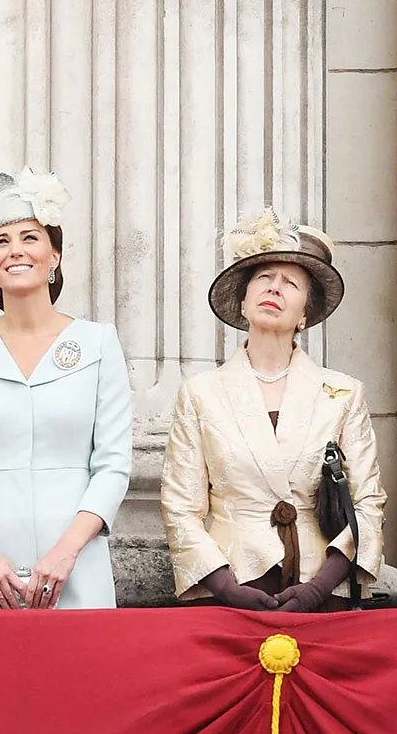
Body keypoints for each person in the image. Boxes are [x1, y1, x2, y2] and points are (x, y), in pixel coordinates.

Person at [162, 212, 385, 611]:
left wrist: (320, 587)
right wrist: (227, 589)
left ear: (304, 315)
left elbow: (368, 503)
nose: (275, 288)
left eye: (291, 283)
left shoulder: (344, 394)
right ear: (244, 303)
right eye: (264, 278)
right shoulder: (200, 393)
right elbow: (180, 506)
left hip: (322, 588)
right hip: (229, 587)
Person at [0, 171, 134, 609]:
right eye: (0, 241)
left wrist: (66, 553)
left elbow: (113, 464)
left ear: (54, 254)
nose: (15, 250)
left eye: (30, 237)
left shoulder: (98, 343)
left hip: (77, 565)